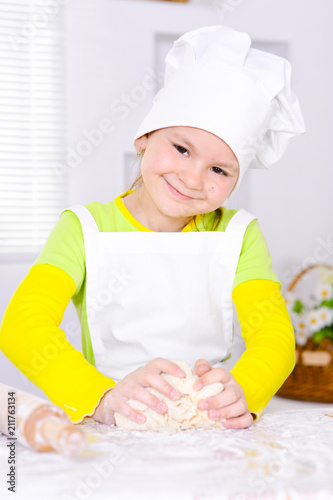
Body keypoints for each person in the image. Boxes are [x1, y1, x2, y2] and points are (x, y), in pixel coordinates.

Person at [0, 25, 305, 430]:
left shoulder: (239, 234)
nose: (193, 179)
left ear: (236, 179)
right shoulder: (84, 228)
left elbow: (275, 337)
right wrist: (100, 396)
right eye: (181, 148)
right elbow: (23, 326)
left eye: (218, 169)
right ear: (144, 136)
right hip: (115, 426)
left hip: (210, 428)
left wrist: (243, 391)